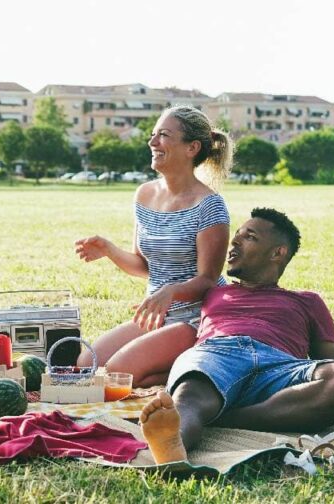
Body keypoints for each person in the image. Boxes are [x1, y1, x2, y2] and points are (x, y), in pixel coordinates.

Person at [138, 208, 334, 464]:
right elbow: (164, 267)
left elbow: (333, 361)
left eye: (249, 237)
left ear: (277, 253)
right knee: (190, 395)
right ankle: (173, 442)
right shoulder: (212, 292)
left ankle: (227, 417)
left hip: (280, 368)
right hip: (218, 355)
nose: (234, 242)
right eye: (236, 234)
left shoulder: (307, 301)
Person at [74, 106, 232, 387]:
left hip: (194, 319)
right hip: (155, 316)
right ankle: (174, 371)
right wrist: (109, 249)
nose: (152, 142)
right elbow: (145, 266)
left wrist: (170, 292)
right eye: (153, 135)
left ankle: (194, 368)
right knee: (87, 364)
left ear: (191, 148)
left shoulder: (210, 205)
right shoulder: (145, 194)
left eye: (163, 135)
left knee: (118, 373)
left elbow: (208, 280)